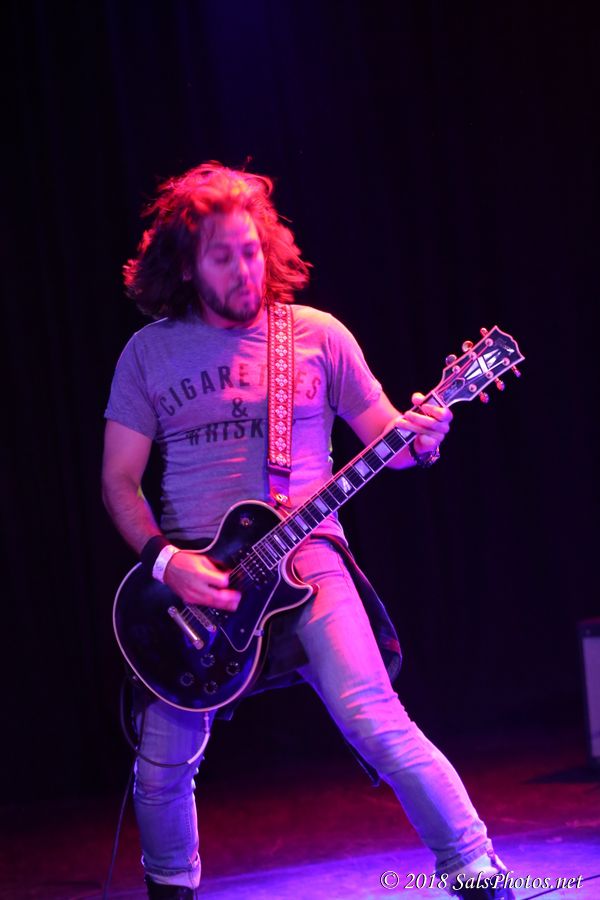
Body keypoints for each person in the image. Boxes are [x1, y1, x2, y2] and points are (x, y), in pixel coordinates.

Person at [102, 162, 515, 899]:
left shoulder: (318, 336)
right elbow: (118, 482)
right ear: (187, 266)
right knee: (161, 764)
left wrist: (426, 433)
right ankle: (171, 888)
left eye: (251, 250)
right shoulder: (148, 354)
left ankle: (477, 871)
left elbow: (393, 439)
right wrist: (167, 563)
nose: (244, 269)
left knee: (374, 718)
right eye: (222, 257)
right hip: (194, 581)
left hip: (309, 557)